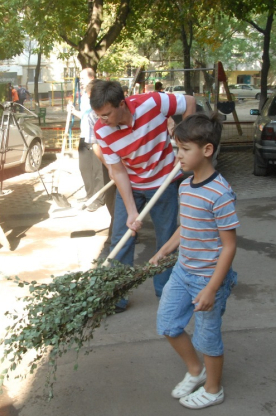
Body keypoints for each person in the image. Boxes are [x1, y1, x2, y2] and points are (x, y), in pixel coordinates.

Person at [149, 113, 238, 409]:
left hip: (207, 279)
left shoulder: (220, 193)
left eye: (185, 150)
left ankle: (214, 390)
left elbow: (229, 247)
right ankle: (195, 371)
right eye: (177, 149)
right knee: (167, 324)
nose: (178, 156)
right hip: (182, 272)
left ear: (207, 150)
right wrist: (164, 250)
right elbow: (185, 227)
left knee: (207, 338)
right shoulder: (185, 186)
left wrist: (212, 288)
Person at [90, 80, 196, 311]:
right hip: (131, 183)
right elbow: (117, 171)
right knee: (122, 237)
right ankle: (117, 296)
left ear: (122, 103)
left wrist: (186, 141)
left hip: (164, 181)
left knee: (167, 238)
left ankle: (166, 293)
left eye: (106, 114)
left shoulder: (152, 102)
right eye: (98, 115)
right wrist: (131, 212)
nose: (101, 120)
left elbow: (189, 102)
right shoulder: (102, 130)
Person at [67, 68, 109, 212]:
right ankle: (90, 194)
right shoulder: (84, 96)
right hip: (85, 134)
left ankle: (99, 198)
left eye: (83, 78)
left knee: (97, 169)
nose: (81, 81)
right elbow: (86, 116)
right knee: (84, 167)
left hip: (97, 137)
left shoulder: (98, 94)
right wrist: (73, 112)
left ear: (91, 77)